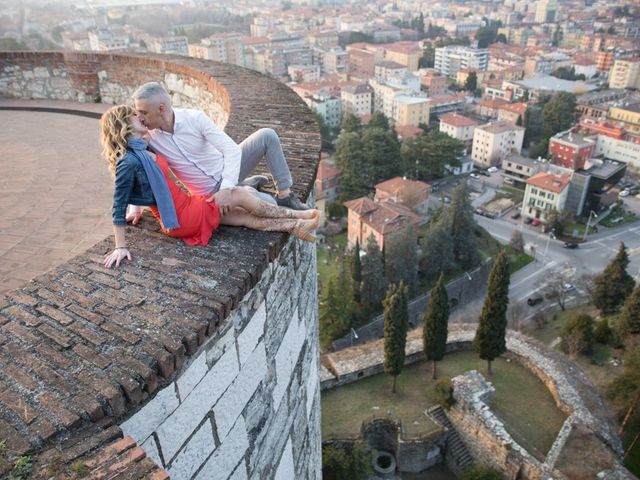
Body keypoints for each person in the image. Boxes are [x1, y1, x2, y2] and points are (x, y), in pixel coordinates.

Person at [100, 105, 319, 269]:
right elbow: (118, 203)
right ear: (123, 125)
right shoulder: (128, 161)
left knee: (243, 218)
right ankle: (297, 214)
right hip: (182, 216)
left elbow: (137, 188)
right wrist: (120, 246)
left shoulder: (144, 147)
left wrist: (136, 207)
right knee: (238, 195)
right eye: (133, 115)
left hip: (186, 208)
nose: (140, 117)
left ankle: (296, 226)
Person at [128, 82, 308, 227]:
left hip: (226, 173)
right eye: (138, 113)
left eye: (143, 112)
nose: (140, 118)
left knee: (267, 135)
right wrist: (135, 207)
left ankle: (285, 195)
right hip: (208, 193)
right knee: (269, 208)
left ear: (161, 108)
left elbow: (231, 149)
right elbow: (138, 169)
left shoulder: (194, 119)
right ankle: (247, 187)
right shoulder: (149, 139)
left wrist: (226, 188)